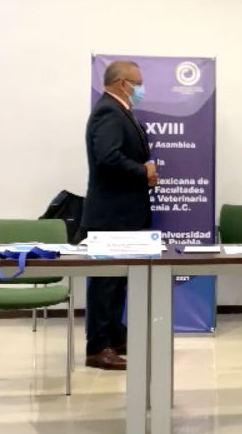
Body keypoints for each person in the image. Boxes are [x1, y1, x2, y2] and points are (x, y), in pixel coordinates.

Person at [82, 61, 157, 370]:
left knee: (116, 283)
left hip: (124, 213)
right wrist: (142, 171)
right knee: (105, 284)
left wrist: (145, 174)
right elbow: (108, 157)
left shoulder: (121, 110)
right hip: (111, 214)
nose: (140, 89)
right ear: (121, 83)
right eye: (137, 83)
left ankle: (114, 336)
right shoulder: (108, 112)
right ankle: (98, 347)